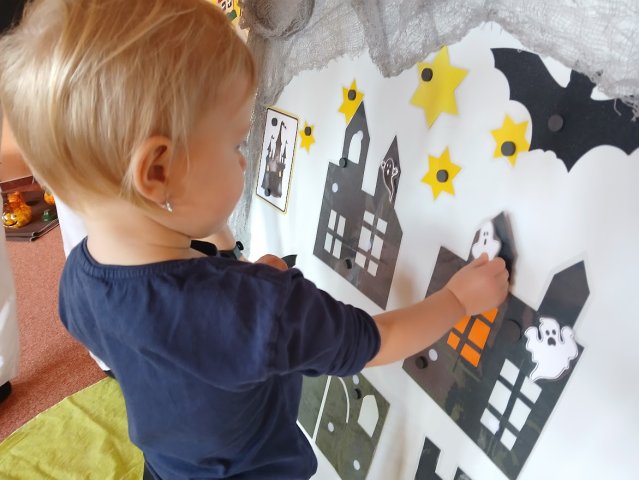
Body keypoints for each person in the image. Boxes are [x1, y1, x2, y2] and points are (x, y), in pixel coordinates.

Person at [0, 1, 508, 478]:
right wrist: (458, 299)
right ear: (157, 171)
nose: (246, 159)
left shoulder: (77, 282)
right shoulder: (265, 308)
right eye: (235, 143)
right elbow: (378, 340)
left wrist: (233, 280)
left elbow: (165, 333)